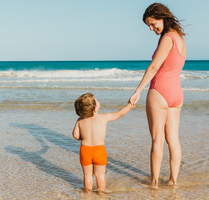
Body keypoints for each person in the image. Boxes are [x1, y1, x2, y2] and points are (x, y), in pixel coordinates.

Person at [130, 3, 187, 189]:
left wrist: (138, 90)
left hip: (159, 92)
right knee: (174, 139)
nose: (151, 28)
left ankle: (154, 182)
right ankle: (173, 181)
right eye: (148, 25)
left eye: (153, 24)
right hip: (176, 94)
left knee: (157, 140)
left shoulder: (167, 38)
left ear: (162, 17)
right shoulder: (180, 38)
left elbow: (154, 67)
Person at [72, 93, 134, 195]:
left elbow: (75, 135)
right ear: (95, 109)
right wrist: (130, 105)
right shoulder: (103, 117)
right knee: (100, 175)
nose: (98, 100)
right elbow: (120, 113)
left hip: (85, 150)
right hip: (99, 151)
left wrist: (85, 137)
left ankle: (87, 193)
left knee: (87, 175)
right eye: (96, 100)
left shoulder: (80, 120)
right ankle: (100, 193)